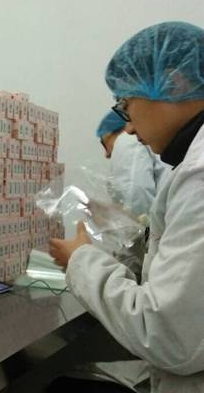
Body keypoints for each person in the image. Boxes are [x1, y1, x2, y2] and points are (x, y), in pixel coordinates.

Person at [49, 21, 204, 393]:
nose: (129, 129)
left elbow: (166, 335)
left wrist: (81, 259)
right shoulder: (190, 165)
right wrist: (139, 232)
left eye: (125, 104)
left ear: (175, 82)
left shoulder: (199, 174)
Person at [96, 111, 170, 218]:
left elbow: (136, 192)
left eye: (103, 143)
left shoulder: (126, 139)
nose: (106, 154)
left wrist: (136, 225)